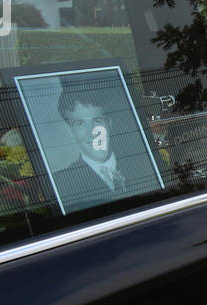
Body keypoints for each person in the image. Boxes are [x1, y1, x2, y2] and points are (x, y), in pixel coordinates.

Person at [51, 79, 160, 212]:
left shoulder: (144, 164)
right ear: (70, 131)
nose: (92, 132)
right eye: (79, 123)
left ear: (110, 123)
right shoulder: (62, 185)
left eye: (97, 120)